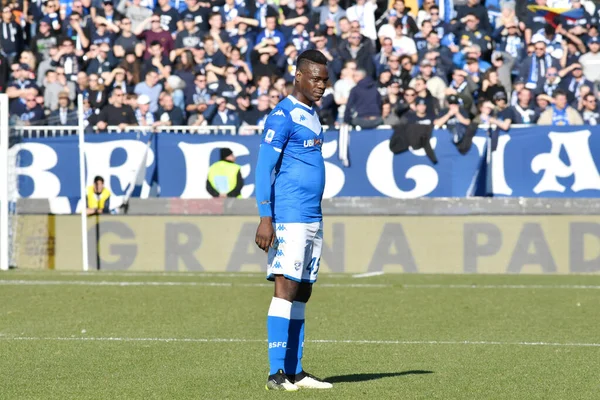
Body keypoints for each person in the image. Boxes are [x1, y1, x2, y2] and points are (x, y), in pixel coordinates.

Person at [254, 49, 333, 391]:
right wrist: (265, 217)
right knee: (285, 287)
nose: (321, 86)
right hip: (289, 215)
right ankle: (276, 373)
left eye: (325, 80)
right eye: (315, 78)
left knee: (304, 291)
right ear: (298, 76)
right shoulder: (282, 115)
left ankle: (296, 371)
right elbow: (263, 168)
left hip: (313, 215)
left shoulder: (313, 115)